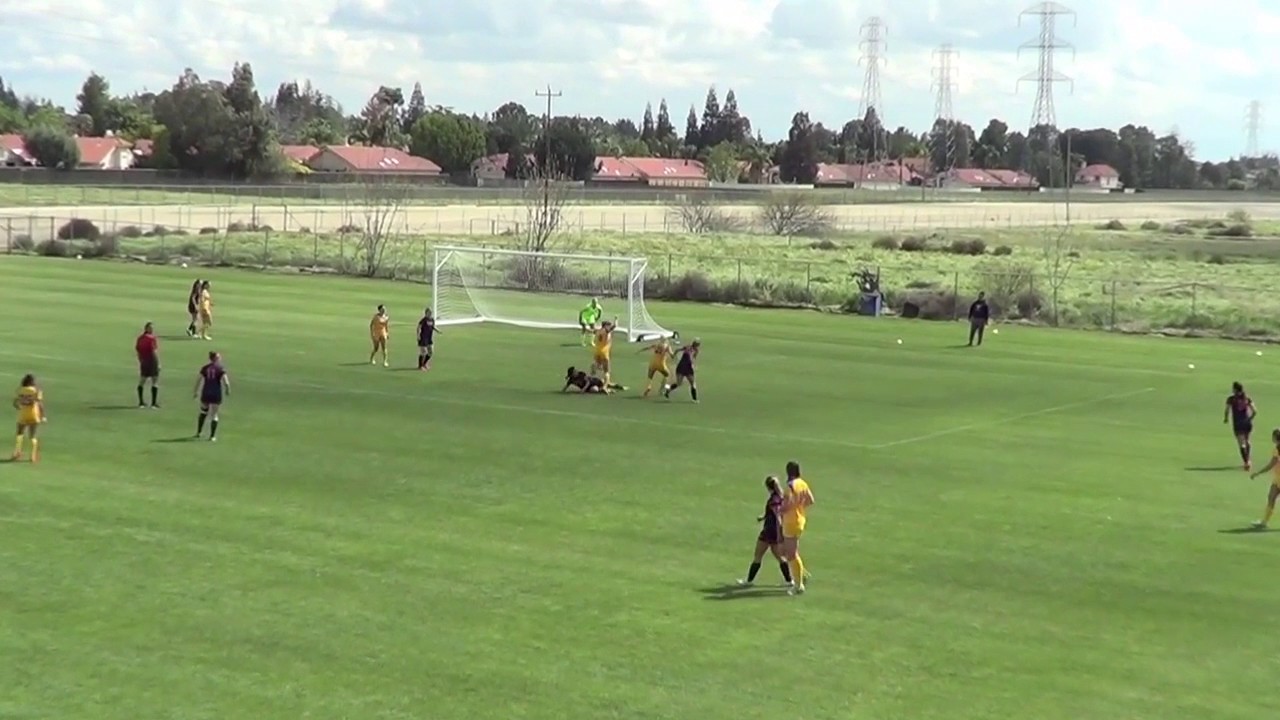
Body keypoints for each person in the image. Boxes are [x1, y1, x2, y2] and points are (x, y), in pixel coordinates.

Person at [737, 476, 794, 587]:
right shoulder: (781, 497)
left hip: (769, 531)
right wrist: (764, 517)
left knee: (758, 556)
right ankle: (789, 581)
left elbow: (777, 516)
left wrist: (779, 533)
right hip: (773, 531)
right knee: (779, 557)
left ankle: (748, 581)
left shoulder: (774, 500)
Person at [780, 460, 814, 596]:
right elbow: (810, 500)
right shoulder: (803, 483)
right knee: (791, 551)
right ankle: (801, 574)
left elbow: (787, 504)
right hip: (800, 520)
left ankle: (799, 585)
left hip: (790, 522)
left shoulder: (791, 486)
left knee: (791, 554)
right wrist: (799, 507)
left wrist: (780, 510)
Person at [1247, 428, 1280, 529]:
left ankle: (1264, 522)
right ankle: (1264, 522)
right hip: (1277, 478)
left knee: (1271, 498)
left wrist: (1258, 473)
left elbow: (1271, 465)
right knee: (1271, 497)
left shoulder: (1277, 450)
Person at [193, 351, 229, 442]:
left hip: (206, 392)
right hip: (216, 393)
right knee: (214, 414)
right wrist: (227, 389)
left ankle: (199, 432)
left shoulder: (205, 368)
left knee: (203, 411)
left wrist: (195, 391)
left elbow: (198, 380)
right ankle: (212, 436)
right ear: (216, 359)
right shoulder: (220, 368)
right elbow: (226, 381)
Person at [12, 373, 45, 463]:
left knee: (19, 433)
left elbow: (15, 403)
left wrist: (18, 406)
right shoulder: (36, 390)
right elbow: (40, 404)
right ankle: (32, 456)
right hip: (34, 414)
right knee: (32, 436)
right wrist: (43, 415)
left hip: (23, 414)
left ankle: (17, 452)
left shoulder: (20, 390)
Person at [1225, 381, 1257, 470]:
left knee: (1241, 443)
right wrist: (1250, 419)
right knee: (1247, 441)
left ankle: (1246, 462)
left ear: (1235, 389)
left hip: (1238, 424)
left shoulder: (1231, 399)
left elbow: (1227, 410)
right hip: (1247, 423)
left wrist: (1226, 418)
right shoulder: (1247, 398)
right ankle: (1248, 459)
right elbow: (1255, 411)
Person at [135, 322, 161, 409]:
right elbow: (154, 351)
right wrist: (158, 363)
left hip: (144, 361)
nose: (152, 329)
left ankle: (141, 402)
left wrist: (140, 360)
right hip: (152, 361)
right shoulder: (152, 338)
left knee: (142, 381)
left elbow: (138, 351)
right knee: (155, 381)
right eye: (151, 328)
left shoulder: (140, 338)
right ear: (146, 328)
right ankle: (153, 403)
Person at [591, 318, 618, 384]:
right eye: (609, 325)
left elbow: (592, 330)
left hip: (597, 350)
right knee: (607, 370)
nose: (609, 326)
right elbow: (615, 326)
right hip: (604, 352)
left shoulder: (598, 331)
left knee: (598, 364)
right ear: (605, 326)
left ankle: (594, 368)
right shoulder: (606, 331)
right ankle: (605, 385)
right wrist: (616, 319)